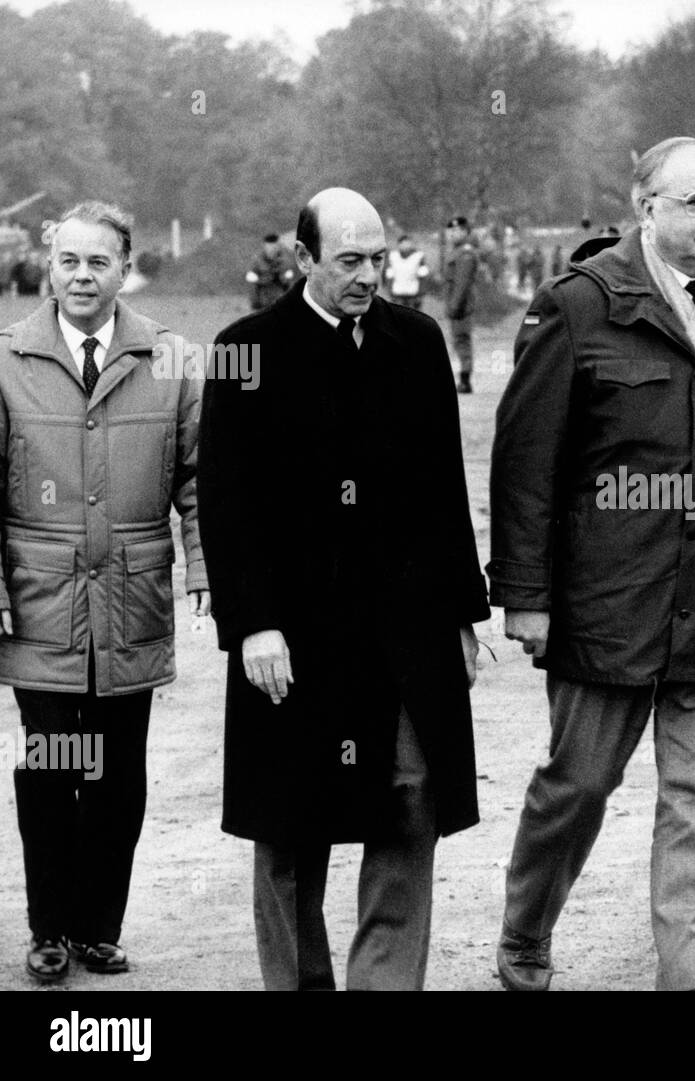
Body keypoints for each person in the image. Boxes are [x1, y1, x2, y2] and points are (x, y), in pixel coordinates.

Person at [489, 137, 695, 991]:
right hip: (609, 595)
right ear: (648, 212)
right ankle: (527, 929)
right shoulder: (578, 305)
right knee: (579, 783)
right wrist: (523, 595)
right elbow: (527, 465)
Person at [197, 187, 489, 991]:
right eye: (349, 261)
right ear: (303, 260)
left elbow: (442, 486)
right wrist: (253, 624)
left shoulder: (417, 340)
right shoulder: (245, 349)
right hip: (293, 635)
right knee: (291, 822)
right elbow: (226, 503)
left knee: (410, 803)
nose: (368, 276)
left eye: (377, 259)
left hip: (405, 629)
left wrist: (464, 613)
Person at [0, 201, 208, 981]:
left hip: (133, 600)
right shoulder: (6, 360)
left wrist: (203, 567)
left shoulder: (173, 361)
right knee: (53, 766)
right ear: (48, 267)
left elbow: (198, 481)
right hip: (39, 603)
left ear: (126, 268)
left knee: (117, 775)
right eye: (68, 262)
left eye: (98, 263)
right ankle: (49, 927)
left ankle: (96, 926)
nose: (81, 276)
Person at [444, 216, 477, 394]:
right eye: (451, 231)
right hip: (456, 304)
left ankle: (465, 380)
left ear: (465, 232)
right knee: (459, 341)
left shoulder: (465, 254)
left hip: (461, 306)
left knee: (462, 340)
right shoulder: (456, 252)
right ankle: (464, 378)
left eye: (457, 230)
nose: (452, 234)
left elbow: (462, 284)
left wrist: (455, 306)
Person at [246, 232, 295, 310]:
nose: (272, 249)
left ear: (278, 246)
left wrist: (282, 277)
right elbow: (251, 278)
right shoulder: (257, 260)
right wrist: (262, 279)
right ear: (265, 246)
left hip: (279, 292)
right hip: (263, 293)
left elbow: (289, 278)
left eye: (274, 246)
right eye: (270, 247)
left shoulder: (285, 260)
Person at [384, 233, 429, 311]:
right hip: (397, 294)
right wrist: (390, 292)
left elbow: (423, 277)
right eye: (403, 243)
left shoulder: (418, 256)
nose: (405, 245)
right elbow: (389, 276)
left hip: (413, 294)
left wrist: (421, 294)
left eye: (407, 242)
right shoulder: (393, 256)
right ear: (399, 244)